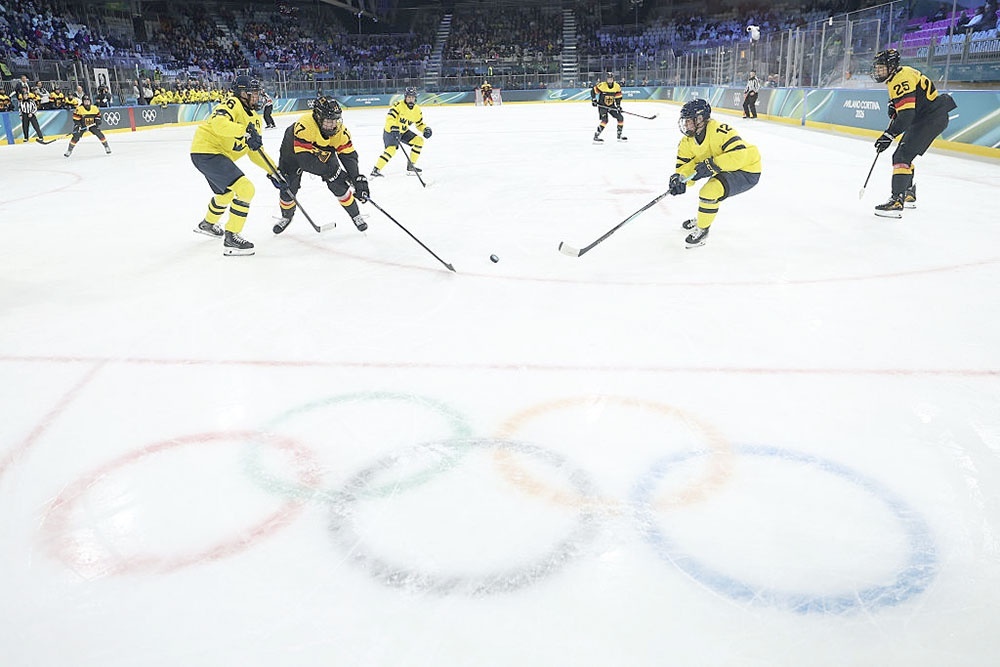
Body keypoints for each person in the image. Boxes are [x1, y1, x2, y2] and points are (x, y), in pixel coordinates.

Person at [189, 75, 276, 256]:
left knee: (226, 194)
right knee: (246, 189)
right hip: (207, 151)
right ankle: (232, 238)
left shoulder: (256, 120)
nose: (257, 97)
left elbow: (255, 152)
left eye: (257, 93)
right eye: (253, 93)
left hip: (212, 155)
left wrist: (274, 171)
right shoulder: (232, 103)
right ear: (242, 94)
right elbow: (219, 125)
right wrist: (244, 131)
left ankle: (208, 224)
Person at [870, 49, 957, 217]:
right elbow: (911, 99)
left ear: (892, 66)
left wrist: (888, 135)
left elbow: (907, 116)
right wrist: (894, 104)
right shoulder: (902, 73)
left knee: (901, 156)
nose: (878, 71)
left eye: (881, 67)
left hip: (930, 119)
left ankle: (897, 201)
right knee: (905, 154)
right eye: (877, 68)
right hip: (929, 117)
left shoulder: (900, 79)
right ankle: (908, 192)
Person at [667, 99, 761, 248]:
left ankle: (703, 231)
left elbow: (740, 155)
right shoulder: (687, 142)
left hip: (747, 169)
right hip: (725, 167)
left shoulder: (720, 131)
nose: (686, 125)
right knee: (709, 191)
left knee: (710, 191)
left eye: (689, 121)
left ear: (700, 119)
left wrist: (712, 165)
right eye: (685, 121)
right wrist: (681, 179)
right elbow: (684, 166)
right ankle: (703, 218)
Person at [272, 96, 370, 235]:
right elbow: (305, 162)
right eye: (328, 121)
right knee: (288, 187)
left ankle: (355, 215)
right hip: (292, 154)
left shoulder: (340, 131)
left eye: (335, 120)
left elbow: (349, 156)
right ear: (318, 117)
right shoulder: (305, 125)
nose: (333, 125)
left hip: (322, 149)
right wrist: (332, 172)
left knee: (338, 185)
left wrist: (356, 178)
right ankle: (286, 216)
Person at [370, 87, 432, 177]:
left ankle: (411, 166)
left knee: (419, 141)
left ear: (415, 98)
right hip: (391, 131)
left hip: (403, 131)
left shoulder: (417, 110)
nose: (410, 99)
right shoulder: (398, 105)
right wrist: (393, 126)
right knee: (391, 149)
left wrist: (425, 129)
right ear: (405, 97)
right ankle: (376, 170)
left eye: (412, 97)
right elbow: (390, 117)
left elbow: (419, 124)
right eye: (409, 97)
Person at [590, 71, 626, 142]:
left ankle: (619, 135)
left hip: (611, 106)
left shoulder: (617, 86)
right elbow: (593, 91)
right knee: (605, 120)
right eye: (608, 79)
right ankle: (596, 135)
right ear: (606, 79)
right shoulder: (602, 85)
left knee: (620, 118)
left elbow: (618, 97)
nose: (610, 80)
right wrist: (594, 100)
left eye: (611, 79)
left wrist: (618, 106)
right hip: (602, 106)